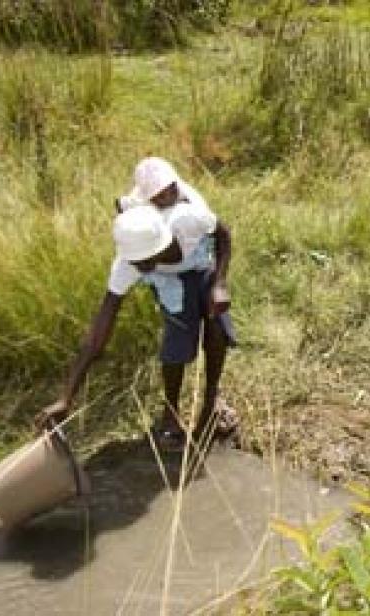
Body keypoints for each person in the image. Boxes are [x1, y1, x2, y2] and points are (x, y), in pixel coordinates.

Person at [36, 157, 237, 451]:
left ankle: (210, 402)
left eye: (146, 262)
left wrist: (219, 283)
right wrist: (66, 397)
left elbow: (224, 235)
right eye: (135, 263)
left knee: (216, 329)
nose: (140, 270)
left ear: (161, 245)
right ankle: (170, 412)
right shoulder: (130, 259)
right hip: (171, 281)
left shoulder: (189, 219)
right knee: (177, 343)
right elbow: (98, 334)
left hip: (200, 263)